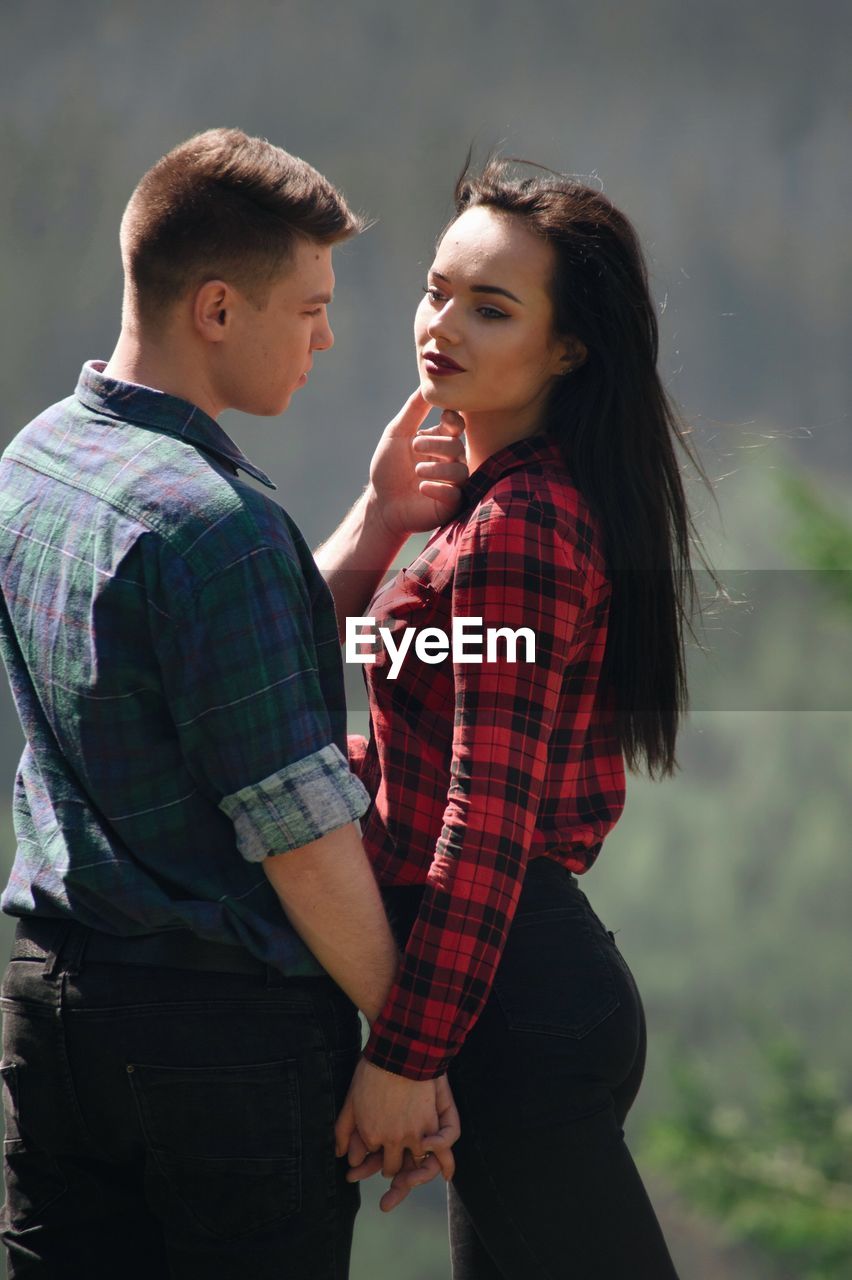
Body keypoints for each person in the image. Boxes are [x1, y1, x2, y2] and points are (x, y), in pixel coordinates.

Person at [0, 127, 465, 1279]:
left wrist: (374, 518)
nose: (328, 336)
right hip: (220, 1045)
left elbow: (194, 667)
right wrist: (410, 1047)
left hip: (47, 1006)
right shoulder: (218, 525)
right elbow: (300, 831)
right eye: (307, 307)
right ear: (217, 308)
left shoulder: (39, 458)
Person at [335, 158, 719, 1276]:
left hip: (512, 1005)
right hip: (508, 993)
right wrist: (374, 523)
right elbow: (420, 760)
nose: (440, 324)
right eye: (435, 288)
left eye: (490, 307)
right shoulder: (494, 510)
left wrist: (406, 1054)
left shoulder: (522, 527)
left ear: (568, 350)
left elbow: (486, 819)